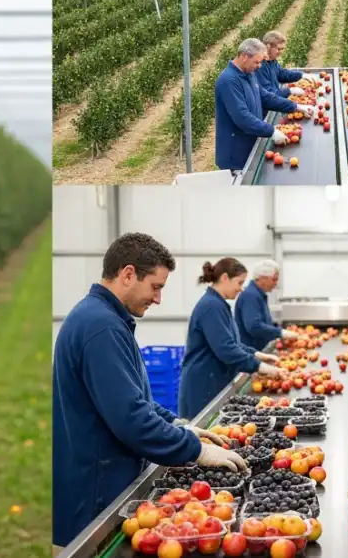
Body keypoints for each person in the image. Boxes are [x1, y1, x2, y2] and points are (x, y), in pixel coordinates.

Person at [52, 233, 249, 551]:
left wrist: (178, 424)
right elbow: (131, 418)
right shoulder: (101, 328)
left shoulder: (104, 319)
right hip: (97, 490)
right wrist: (195, 450)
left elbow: (133, 399)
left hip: (103, 477)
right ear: (128, 274)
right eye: (156, 287)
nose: (158, 299)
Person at [178, 258, 287, 418]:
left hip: (213, 380)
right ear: (224, 278)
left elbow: (233, 343)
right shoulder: (211, 306)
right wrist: (259, 366)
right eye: (239, 283)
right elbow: (226, 349)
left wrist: (257, 355)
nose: (241, 289)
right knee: (202, 434)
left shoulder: (219, 304)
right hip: (203, 385)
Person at [214, 38, 315, 176]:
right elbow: (242, 117)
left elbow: (266, 97)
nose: (259, 66)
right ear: (244, 57)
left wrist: (295, 106)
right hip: (236, 155)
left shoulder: (249, 74)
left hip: (250, 143)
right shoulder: (229, 81)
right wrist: (271, 131)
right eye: (257, 62)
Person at [234, 260, 303, 351]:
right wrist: (280, 332)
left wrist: (278, 329)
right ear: (262, 278)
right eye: (274, 279)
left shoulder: (258, 294)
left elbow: (262, 322)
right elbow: (254, 326)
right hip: (251, 352)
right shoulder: (251, 295)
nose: (276, 283)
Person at [254, 31, 319, 98]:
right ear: (268, 47)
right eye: (278, 49)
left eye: (282, 49)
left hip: (275, 100)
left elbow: (282, 74)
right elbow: (268, 95)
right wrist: (289, 91)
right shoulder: (259, 66)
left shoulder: (272, 60)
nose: (281, 52)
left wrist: (301, 75)